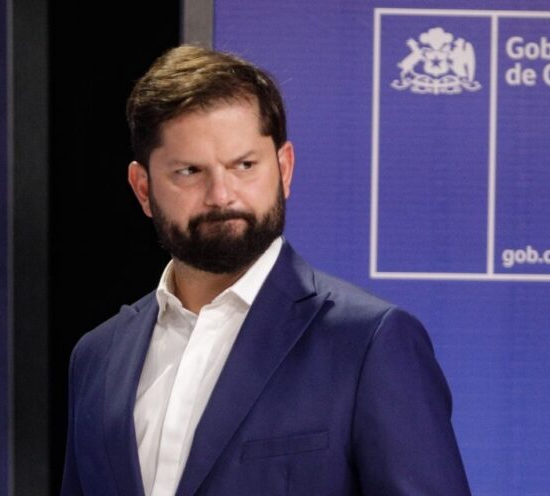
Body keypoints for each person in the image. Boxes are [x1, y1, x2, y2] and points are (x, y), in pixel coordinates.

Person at [61, 44, 471, 496]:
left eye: (244, 165)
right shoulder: (97, 358)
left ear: (284, 168)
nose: (221, 195)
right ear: (143, 189)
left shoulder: (368, 343)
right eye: (190, 171)